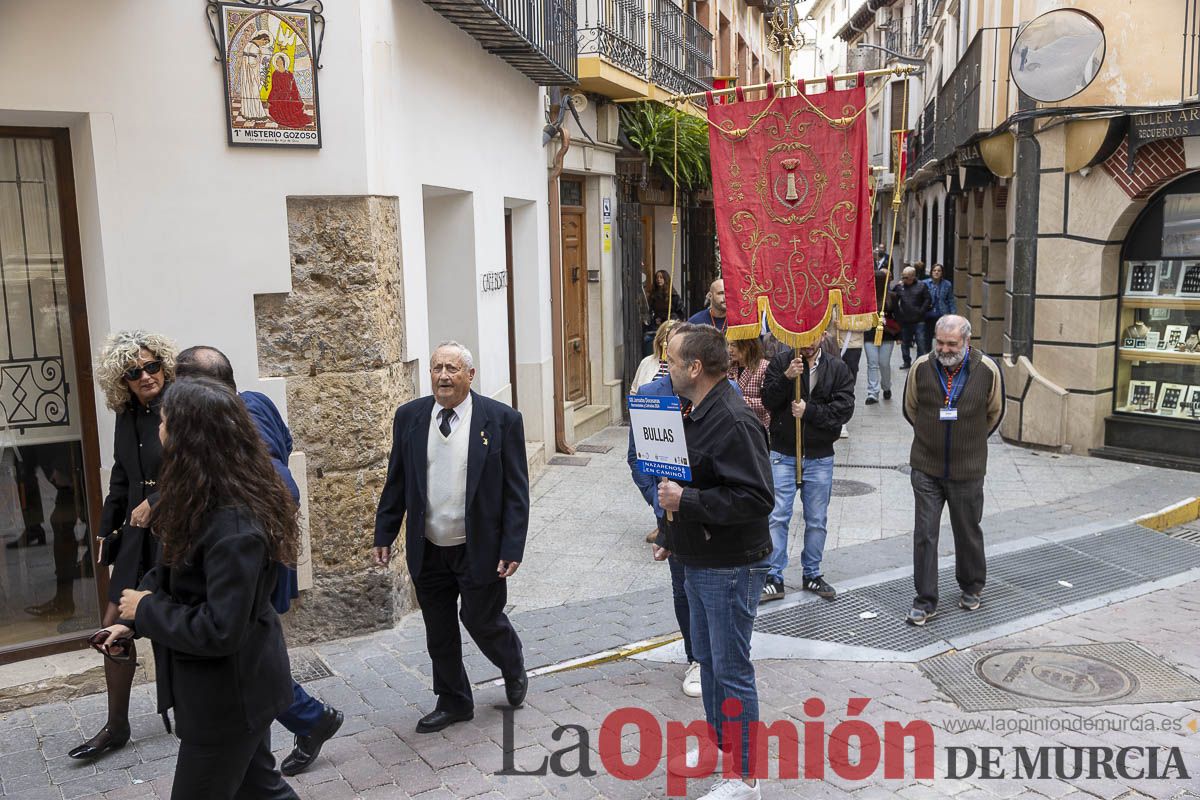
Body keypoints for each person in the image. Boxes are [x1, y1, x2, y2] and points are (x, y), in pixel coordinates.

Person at [96, 377, 300, 799]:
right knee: (263, 790)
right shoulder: (203, 494)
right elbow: (178, 574)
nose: (159, 430)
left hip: (230, 698)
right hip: (229, 692)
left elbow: (220, 629)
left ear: (192, 437)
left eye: (166, 422)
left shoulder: (236, 524)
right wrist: (133, 619)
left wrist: (146, 610)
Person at [173, 346, 343, 777]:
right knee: (257, 646)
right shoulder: (257, 402)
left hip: (260, 543)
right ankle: (300, 724)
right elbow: (286, 447)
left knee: (253, 648)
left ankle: (310, 719)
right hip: (274, 535)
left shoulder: (223, 428)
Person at [374, 341, 529, 733]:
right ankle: (454, 700)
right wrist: (385, 531)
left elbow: (516, 492)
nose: (443, 376)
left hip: (479, 547)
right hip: (428, 548)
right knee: (439, 630)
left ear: (470, 375)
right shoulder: (409, 417)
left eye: (452, 369)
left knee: (482, 620)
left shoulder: (502, 420)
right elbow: (397, 481)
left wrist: (512, 546)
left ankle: (512, 664)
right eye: (437, 368)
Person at [655, 323, 773, 800]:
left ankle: (746, 778)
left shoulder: (734, 419)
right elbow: (690, 479)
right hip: (697, 556)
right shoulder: (698, 410)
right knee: (706, 661)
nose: (666, 366)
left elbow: (756, 497)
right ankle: (719, 747)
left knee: (729, 668)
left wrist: (688, 504)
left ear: (695, 367)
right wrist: (671, 532)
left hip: (729, 566)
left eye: (672, 359)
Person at [69, 332, 175, 761]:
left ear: (164, 365)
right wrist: (105, 530)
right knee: (112, 629)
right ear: (122, 380)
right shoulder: (126, 414)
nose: (146, 376)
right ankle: (117, 725)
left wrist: (156, 501)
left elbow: (196, 466)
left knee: (171, 617)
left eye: (152, 366)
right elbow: (120, 476)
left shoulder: (181, 406)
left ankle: (185, 708)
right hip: (135, 535)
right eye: (134, 372)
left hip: (176, 528)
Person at [902, 315, 1004, 626]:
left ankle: (972, 586)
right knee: (925, 534)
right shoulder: (921, 366)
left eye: (952, 344)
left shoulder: (987, 370)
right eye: (940, 343)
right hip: (926, 467)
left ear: (966, 342)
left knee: (967, 529)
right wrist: (931, 436)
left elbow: (994, 413)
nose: (945, 350)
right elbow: (911, 409)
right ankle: (925, 600)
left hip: (967, 468)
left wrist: (969, 441)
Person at [759, 335, 855, 603]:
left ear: (823, 334)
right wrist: (788, 378)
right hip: (783, 452)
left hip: (819, 455)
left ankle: (812, 572)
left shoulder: (837, 368)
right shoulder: (780, 362)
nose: (809, 342)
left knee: (816, 519)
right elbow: (768, 400)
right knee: (778, 516)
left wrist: (809, 411)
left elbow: (844, 410)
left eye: (814, 336)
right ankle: (774, 577)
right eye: (803, 336)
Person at [864, 263, 899, 405]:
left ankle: (886, 386)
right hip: (870, 333)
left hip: (887, 334)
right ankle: (872, 392)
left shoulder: (892, 296)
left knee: (884, 363)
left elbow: (898, 316)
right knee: (872, 363)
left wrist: (899, 336)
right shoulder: (867, 297)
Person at [889, 266, 932, 369]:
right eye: (903, 277)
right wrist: (898, 313)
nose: (903, 279)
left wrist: (921, 310)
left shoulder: (921, 286)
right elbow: (892, 297)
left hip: (919, 320)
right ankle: (906, 362)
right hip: (904, 320)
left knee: (920, 342)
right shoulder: (900, 287)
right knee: (905, 343)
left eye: (906, 277)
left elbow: (928, 299)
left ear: (913, 277)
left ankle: (919, 363)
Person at [728, 337, 769, 429]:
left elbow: (767, 404)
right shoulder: (728, 367)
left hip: (757, 427)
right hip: (733, 427)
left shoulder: (764, 367)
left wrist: (737, 401)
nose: (729, 350)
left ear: (747, 345)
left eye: (733, 345)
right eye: (728, 345)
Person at [266, 52, 313, 129]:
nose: (278, 62)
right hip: (279, 98)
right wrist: (269, 100)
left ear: (283, 62)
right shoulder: (275, 74)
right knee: (278, 114)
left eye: (279, 60)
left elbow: (294, 88)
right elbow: (274, 88)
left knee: (292, 114)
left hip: (289, 97)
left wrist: (300, 101)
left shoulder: (289, 74)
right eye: (277, 61)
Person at [632, 319, 678, 394]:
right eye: (669, 340)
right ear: (660, 341)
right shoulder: (646, 362)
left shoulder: (684, 364)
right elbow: (634, 392)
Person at [234, 30, 271, 121]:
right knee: (254, 93)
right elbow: (252, 62)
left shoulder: (249, 44)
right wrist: (260, 64)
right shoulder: (255, 48)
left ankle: (248, 113)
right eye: (265, 42)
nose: (264, 44)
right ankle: (258, 114)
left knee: (248, 92)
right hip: (251, 73)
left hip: (246, 73)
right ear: (261, 39)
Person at [922, 263, 957, 353]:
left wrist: (953, 315)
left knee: (942, 337)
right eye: (934, 270)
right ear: (931, 272)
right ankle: (927, 355)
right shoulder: (925, 283)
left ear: (942, 273)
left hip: (942, 314)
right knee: (927, 337)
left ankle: (941, 353)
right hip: (928, 315)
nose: (936, 272)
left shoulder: (947, 284)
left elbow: (950, 300)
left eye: (939, 271)